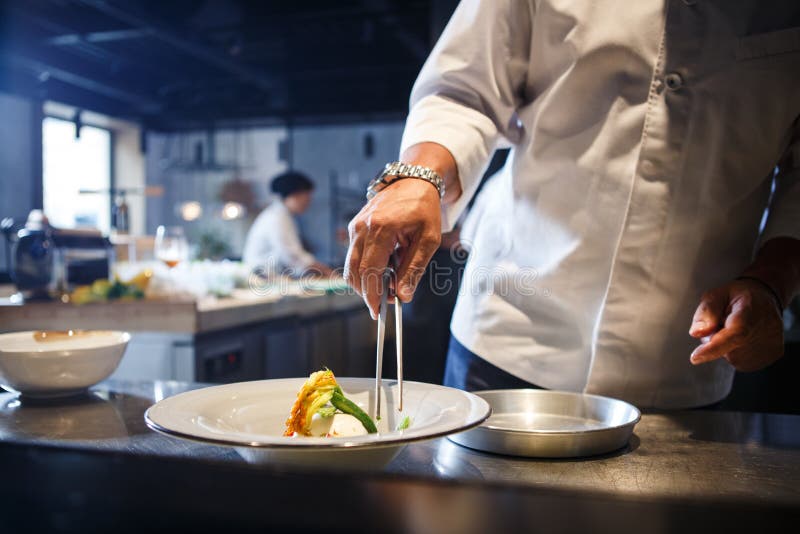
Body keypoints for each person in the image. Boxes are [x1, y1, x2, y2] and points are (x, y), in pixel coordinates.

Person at [344, 0, 800, 408]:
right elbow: (464, 90)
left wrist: (772, 283)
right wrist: (419, 179)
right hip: (512, 333)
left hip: (688, 359)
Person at [243, 171, 332, 278]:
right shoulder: (277, 217)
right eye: (307, 197)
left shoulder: (281, 214)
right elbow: (291, 254)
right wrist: (327, 272)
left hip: (271, 276)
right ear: (295, 195)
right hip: (262, 278)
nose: (309, 202)